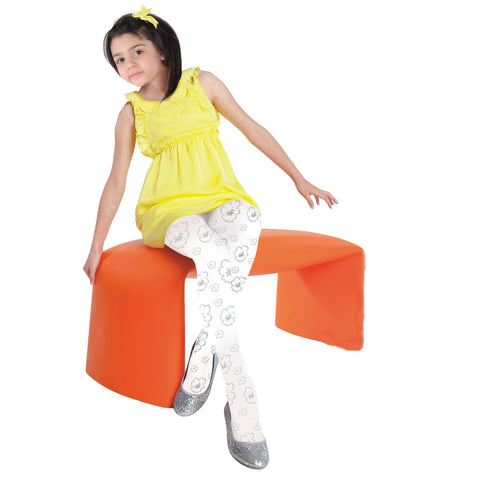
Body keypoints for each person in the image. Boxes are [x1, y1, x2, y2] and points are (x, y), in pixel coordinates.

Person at [83, 5, 338, 469]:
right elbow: (116, 181)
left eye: (136, 51)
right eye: (119, 59)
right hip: (168, 209)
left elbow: (253, 129)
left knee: (242, 227)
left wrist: (299, 179)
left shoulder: (203, 83)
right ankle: (242, 400)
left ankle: (205, 348)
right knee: (215, 256)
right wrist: (96, 245)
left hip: (223, 196)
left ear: (162, 49)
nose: (128, 64)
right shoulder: (131, 113)